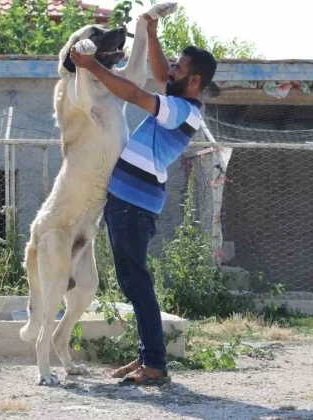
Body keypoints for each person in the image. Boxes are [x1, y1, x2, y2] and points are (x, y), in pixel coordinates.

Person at [70, 13, 217, 385]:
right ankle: (146, 359)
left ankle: (154, 364)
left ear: (194, 80)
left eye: (179, 68)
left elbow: (134, 93)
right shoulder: (178, 102)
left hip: (135, 204)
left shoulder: (182, 111)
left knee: (137, 283)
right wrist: (150, 32)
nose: (171, 70)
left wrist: (90, 67)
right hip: (127, 201)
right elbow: (157, 69)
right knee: (132, 283)